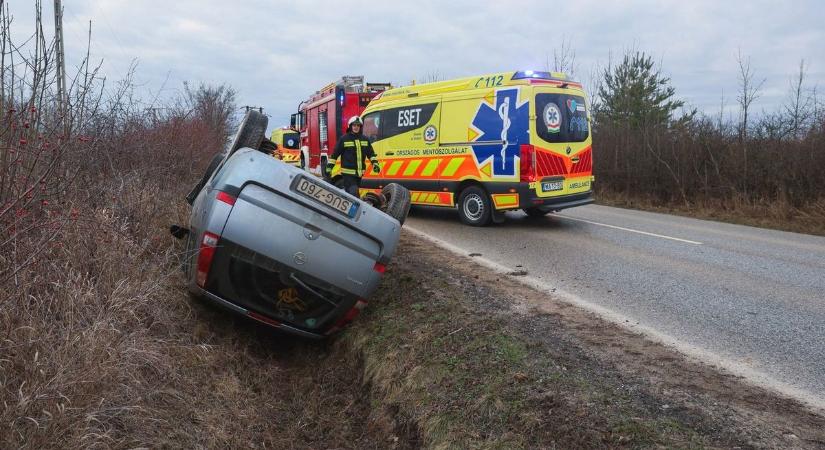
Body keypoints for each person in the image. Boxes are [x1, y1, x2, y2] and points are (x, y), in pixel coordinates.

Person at [326, 116, 380, 196]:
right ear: (350, 126)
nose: (356, 127)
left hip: (359, 174)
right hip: (348, 174)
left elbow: (371, 154)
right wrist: (329, 167)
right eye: (354, 125)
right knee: (354, 193)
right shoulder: (344, 139)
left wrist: (375, 164)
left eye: (358, 125)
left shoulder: (365, 139)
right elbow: (335, 154)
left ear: (360, 127)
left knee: (353, 194)